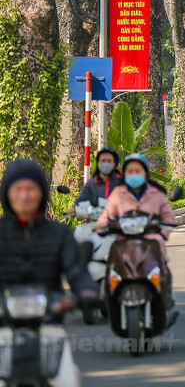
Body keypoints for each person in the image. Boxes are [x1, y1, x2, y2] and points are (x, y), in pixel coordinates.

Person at [0, 159, 98, 387]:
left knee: (67, 380)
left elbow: (76, 270)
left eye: (30, 189)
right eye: (18, 189)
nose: (24, 196)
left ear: (41, 193)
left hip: (49, 327)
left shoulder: (60, 233)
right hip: (2, 328)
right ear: (7, 193)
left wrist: (87, 291)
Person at [95, 153, 177, 254]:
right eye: (130, 171)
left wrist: (162, 235)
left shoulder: (157, 194)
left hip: (151, 246)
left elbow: (168, 217)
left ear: (145, 173)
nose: (134, 174)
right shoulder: (117, 193)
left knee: (159, 268)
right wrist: (102, 225)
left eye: (138, 171)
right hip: (122, 243)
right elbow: (106, 215)